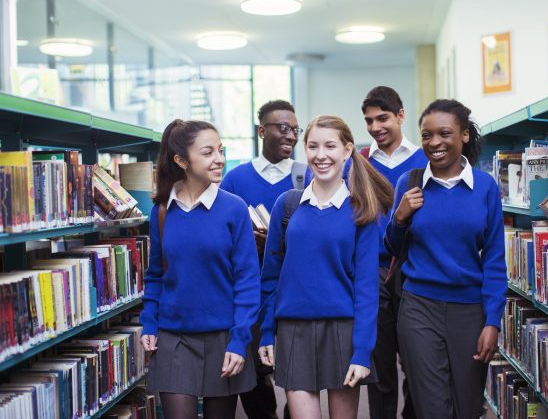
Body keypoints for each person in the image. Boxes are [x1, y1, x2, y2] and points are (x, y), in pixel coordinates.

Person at [258, 115, 393, 419]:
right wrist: (266, 332)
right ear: (304, 149)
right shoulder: (288, 205)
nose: (321, 155)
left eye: (330, 146)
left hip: (343, 332)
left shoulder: (362, 211)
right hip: (293, 331)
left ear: (347, 151)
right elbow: (271, 276)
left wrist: (361, 352)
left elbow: (367, 289)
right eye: (313, 146)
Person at [385, 99, 507, 419]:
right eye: (426, 136)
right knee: (433, 408)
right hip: (418, 308)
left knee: (467, 408)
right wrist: (399, 218)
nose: (434, 143)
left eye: (444, 134)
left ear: (464, 135)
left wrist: (492, 321)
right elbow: (393, 249)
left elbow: (494, 259)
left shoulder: (485, 187)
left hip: (470, 312)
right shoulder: (409, 184)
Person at [140, 119, 260, 419]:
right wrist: (149, 324)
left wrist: (239, 340)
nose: (219, 159)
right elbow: (156, 275)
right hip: (174, 340)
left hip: (223, 338)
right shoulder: (162, 212)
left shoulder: (234, 208)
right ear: (181, 160)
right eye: (208, 152)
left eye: (221, 150)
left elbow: (247, 281)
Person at [220, 100, 305, 419]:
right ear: (261, 131)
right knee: (255, 365)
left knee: (297, 362)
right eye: (283, 128)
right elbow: (222, 232)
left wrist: (275, 244)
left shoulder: (305, 176)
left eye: (295, 130)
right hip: (251, 288)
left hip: (296, 286)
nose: (291, 136)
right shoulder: (234, 180)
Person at [361, 86, 427, 419]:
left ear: (401, 115)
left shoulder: (426, 160)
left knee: (416, 364)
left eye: (382, 118)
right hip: (372, 273)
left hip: (413, 270)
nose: (375, 127)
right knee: (380, 367)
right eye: (369, 120)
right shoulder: (359, 163)